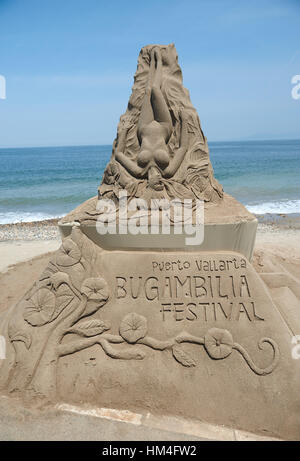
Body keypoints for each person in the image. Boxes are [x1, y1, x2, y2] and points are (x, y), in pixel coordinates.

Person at [115, 47, 189, 191]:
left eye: (156, 184)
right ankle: (159, 61)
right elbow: (183, 148)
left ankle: (151, 64)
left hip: (144, 127)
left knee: (149, 91)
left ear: (149, 184)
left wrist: (124, 130)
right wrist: (184, 122)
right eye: (161, 184)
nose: (159, 181)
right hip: (163, 126)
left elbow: (118, 154)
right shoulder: (168, 172)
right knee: (155, 90)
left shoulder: (137, 172)